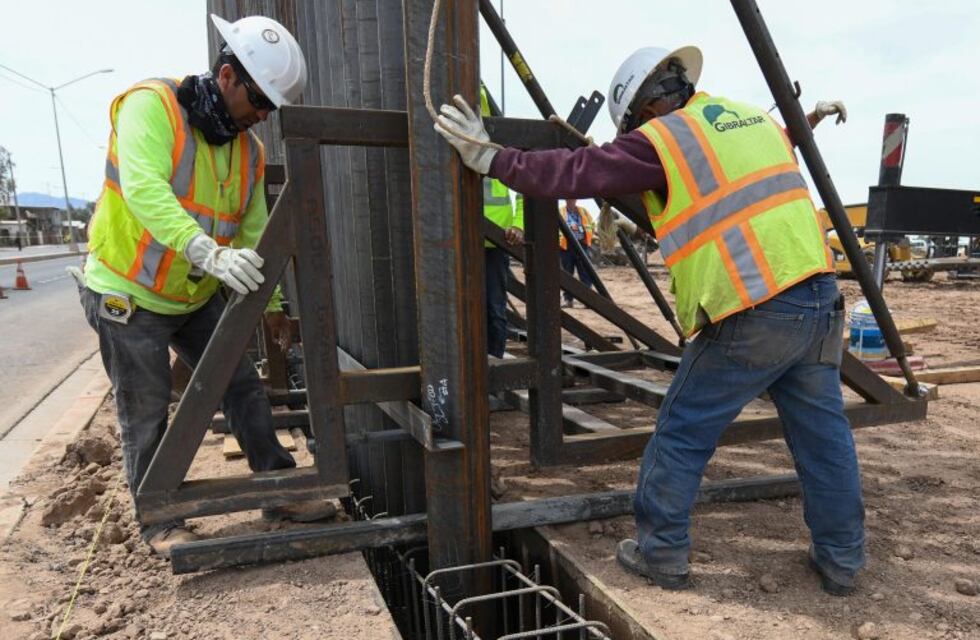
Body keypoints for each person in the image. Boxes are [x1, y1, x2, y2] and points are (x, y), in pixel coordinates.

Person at [434, 45, 860, 596]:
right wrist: (811, 120)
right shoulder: (750, 119)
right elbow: (780, 150)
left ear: (642, 112)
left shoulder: (664, 139)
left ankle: (661, 554)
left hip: (753, 307)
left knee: (681, 433)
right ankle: (842, 560)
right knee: (824, 439)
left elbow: (576, 171)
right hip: (820, 302)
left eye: (631, 126)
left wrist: (491, 158)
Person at [75, 14, 333, 557]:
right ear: (226, 77)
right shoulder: (151, 107)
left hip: (191, 295)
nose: (262, 116)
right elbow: (145, 191)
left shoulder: (248, 152)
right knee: (145, 409)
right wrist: (206, 252)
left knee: (239, 384)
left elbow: (256, 232)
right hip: (129, 293)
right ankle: (159, 521)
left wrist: (273, 306)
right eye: (258, 100)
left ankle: (277, 487)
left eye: (270, 109)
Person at [480, 87, 524, 357]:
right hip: (458, 243)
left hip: (495, 245)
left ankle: (492, 372)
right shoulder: (450, 146)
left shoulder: (499, 149)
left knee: (494, 312)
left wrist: (519, 225)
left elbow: (524, 190)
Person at [558, 198, 595, 308]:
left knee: (585, 273)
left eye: (572, 199)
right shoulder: (560, 212)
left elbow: (592, 225)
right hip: (566, 247)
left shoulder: (583, 211)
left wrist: (586, 234)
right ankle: (568, 300)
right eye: (569, 199)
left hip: (582, 245)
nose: (571, 201)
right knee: (567, 273)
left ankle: (587, 300)